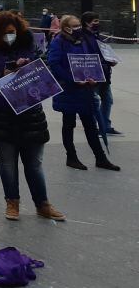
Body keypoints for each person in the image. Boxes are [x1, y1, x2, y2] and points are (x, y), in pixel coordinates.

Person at [0, 11, 64, 221]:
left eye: (12, 32)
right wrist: (1, 75)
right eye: (4, 33)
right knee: (7, 162)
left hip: (30, 112)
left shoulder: (29, 45)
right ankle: (12, 203)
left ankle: (43, 204)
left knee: (34, 163)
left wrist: (28, 66)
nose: (9, 36)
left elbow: (45, 64)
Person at [47, 14, 119, 171]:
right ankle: (71, 157)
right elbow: (54, 63)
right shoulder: (59, 41)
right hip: (69, 89)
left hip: (85, 88)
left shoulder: (84, 40)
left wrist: (101, 69)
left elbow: (94, 57)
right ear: (66, 27)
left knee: (90, 124)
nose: (77, 28)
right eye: (74, 25)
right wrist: (72, 79)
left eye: (78, 25)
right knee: (69, 123)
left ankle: (100, 158)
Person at [85, 12, 120, 135]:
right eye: (95, 21)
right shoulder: (84, 39)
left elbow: (104, 53)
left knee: (108, 100)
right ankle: (96, 126)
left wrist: (110, 62)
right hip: (94, 74)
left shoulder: (97, 36)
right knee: (94, 101)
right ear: (87, 22)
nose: (97, 23)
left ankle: (104, 126)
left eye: (98, 21)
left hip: (104, 73)